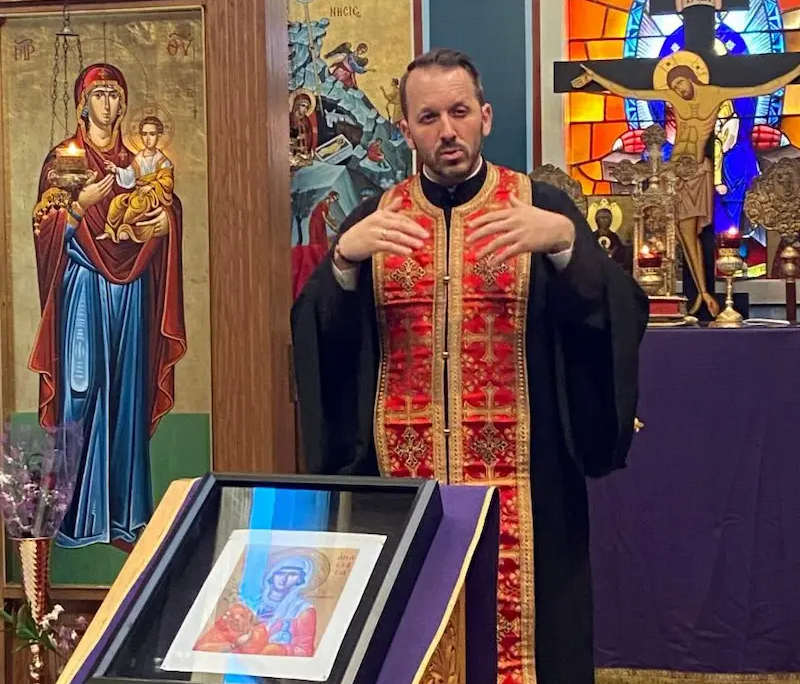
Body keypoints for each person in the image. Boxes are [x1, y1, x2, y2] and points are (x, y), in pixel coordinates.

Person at [292, 48, 648, 684]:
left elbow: (618, 314)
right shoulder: (376, 219)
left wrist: (567, 248)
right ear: (406, 129)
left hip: (527, 480)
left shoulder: (539, 207)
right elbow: (322, 343)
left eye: (459, 112)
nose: (447, 131)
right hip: (402, 480)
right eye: (428, 117)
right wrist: (342, 263)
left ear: (485, 116)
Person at [30, 63, 186, 552]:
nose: (107, 103)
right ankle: (75, 517)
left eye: (114, 94)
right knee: (81, 388)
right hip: (82, 286)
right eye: (98, 94)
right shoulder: (65, 160)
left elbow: (167, 207)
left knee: (127, 393)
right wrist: (79, 206)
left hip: (132, 289)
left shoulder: (140, 162)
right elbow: (45, 230)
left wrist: (167, 223)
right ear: (82, 103)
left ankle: (125, 517)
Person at [579, 52, 800, 317]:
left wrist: (794, 72)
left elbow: (760, 88)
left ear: (692, 77)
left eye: (680, 84)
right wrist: (596, 77)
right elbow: (633, 92)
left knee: (693, 233)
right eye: (673, 86)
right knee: (685, 235)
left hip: (698, 172)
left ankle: (704, 293)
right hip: (676, 171)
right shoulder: (674, 98)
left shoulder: (714, 94)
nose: (678, 90)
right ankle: (702, 292)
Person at [101, 115, 174, 243]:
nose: (148, 138)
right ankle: (110, 231)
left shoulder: (162, 160)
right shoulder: (139, 157)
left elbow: (167, 181)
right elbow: (130, 175)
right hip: (138, 192)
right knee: (117, 202)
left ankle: (127, 230)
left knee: (136, 205)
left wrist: (151, 186)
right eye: (144, 134)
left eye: (152, 134)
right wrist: (116, 169)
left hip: (152, 196)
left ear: (158, 136)